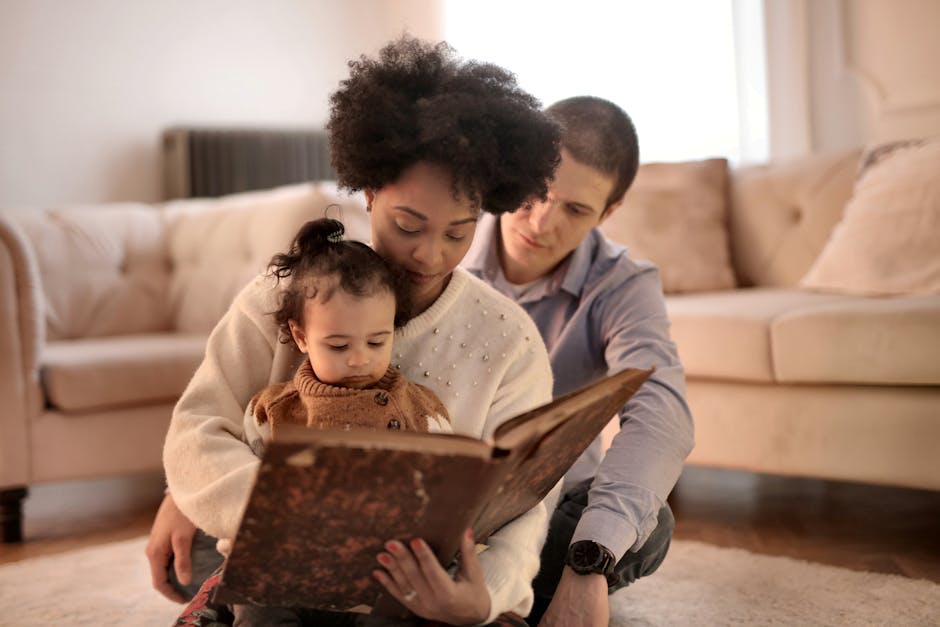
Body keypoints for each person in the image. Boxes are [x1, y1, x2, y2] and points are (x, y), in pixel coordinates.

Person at [152, 37, 562, 626]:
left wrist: (486, 596)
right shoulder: (280, 298)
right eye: (409, 225)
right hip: (283, 553)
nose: (430, 255)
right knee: (193, 553)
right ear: (369, 193)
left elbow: (524, 499)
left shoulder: (509, 338)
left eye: (458, 233)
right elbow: (197, 428)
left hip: (424, 580)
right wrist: (284, 519)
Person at [461, 96, 694, 627]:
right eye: (536, 190)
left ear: (609, 212)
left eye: (575, 210)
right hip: (437, 505)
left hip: (546, 510)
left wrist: (589, 560)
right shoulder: (446, 238)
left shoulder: (621, 284)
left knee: (648, 524)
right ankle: (496, 598)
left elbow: (663, 415)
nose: (541, 223)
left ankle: (511, 590)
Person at [233, 217, 453, 625]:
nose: (359, 359)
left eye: (377, 342)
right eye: (338, 346)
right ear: (301, 337)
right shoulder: (274, 411)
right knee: (254, 594)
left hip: (379, 570)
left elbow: (448, 484)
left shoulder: (420, 409)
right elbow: (249, 489)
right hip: (296, 565)